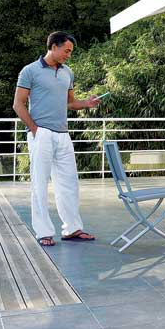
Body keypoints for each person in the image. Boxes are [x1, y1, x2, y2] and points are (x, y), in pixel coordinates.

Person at [12, 32, 99, 247]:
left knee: (69, 183)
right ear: (53, 46)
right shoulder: (30, 71)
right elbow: (18, 104)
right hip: (41, 133)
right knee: (40, 184)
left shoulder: (67, 72)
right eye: (66, 50)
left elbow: (69, 103)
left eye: (71, 52)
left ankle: (72, 229)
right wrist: (34, 129)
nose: (69, 55)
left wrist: (86, 104)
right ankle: (43, 232)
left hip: (63, 135)